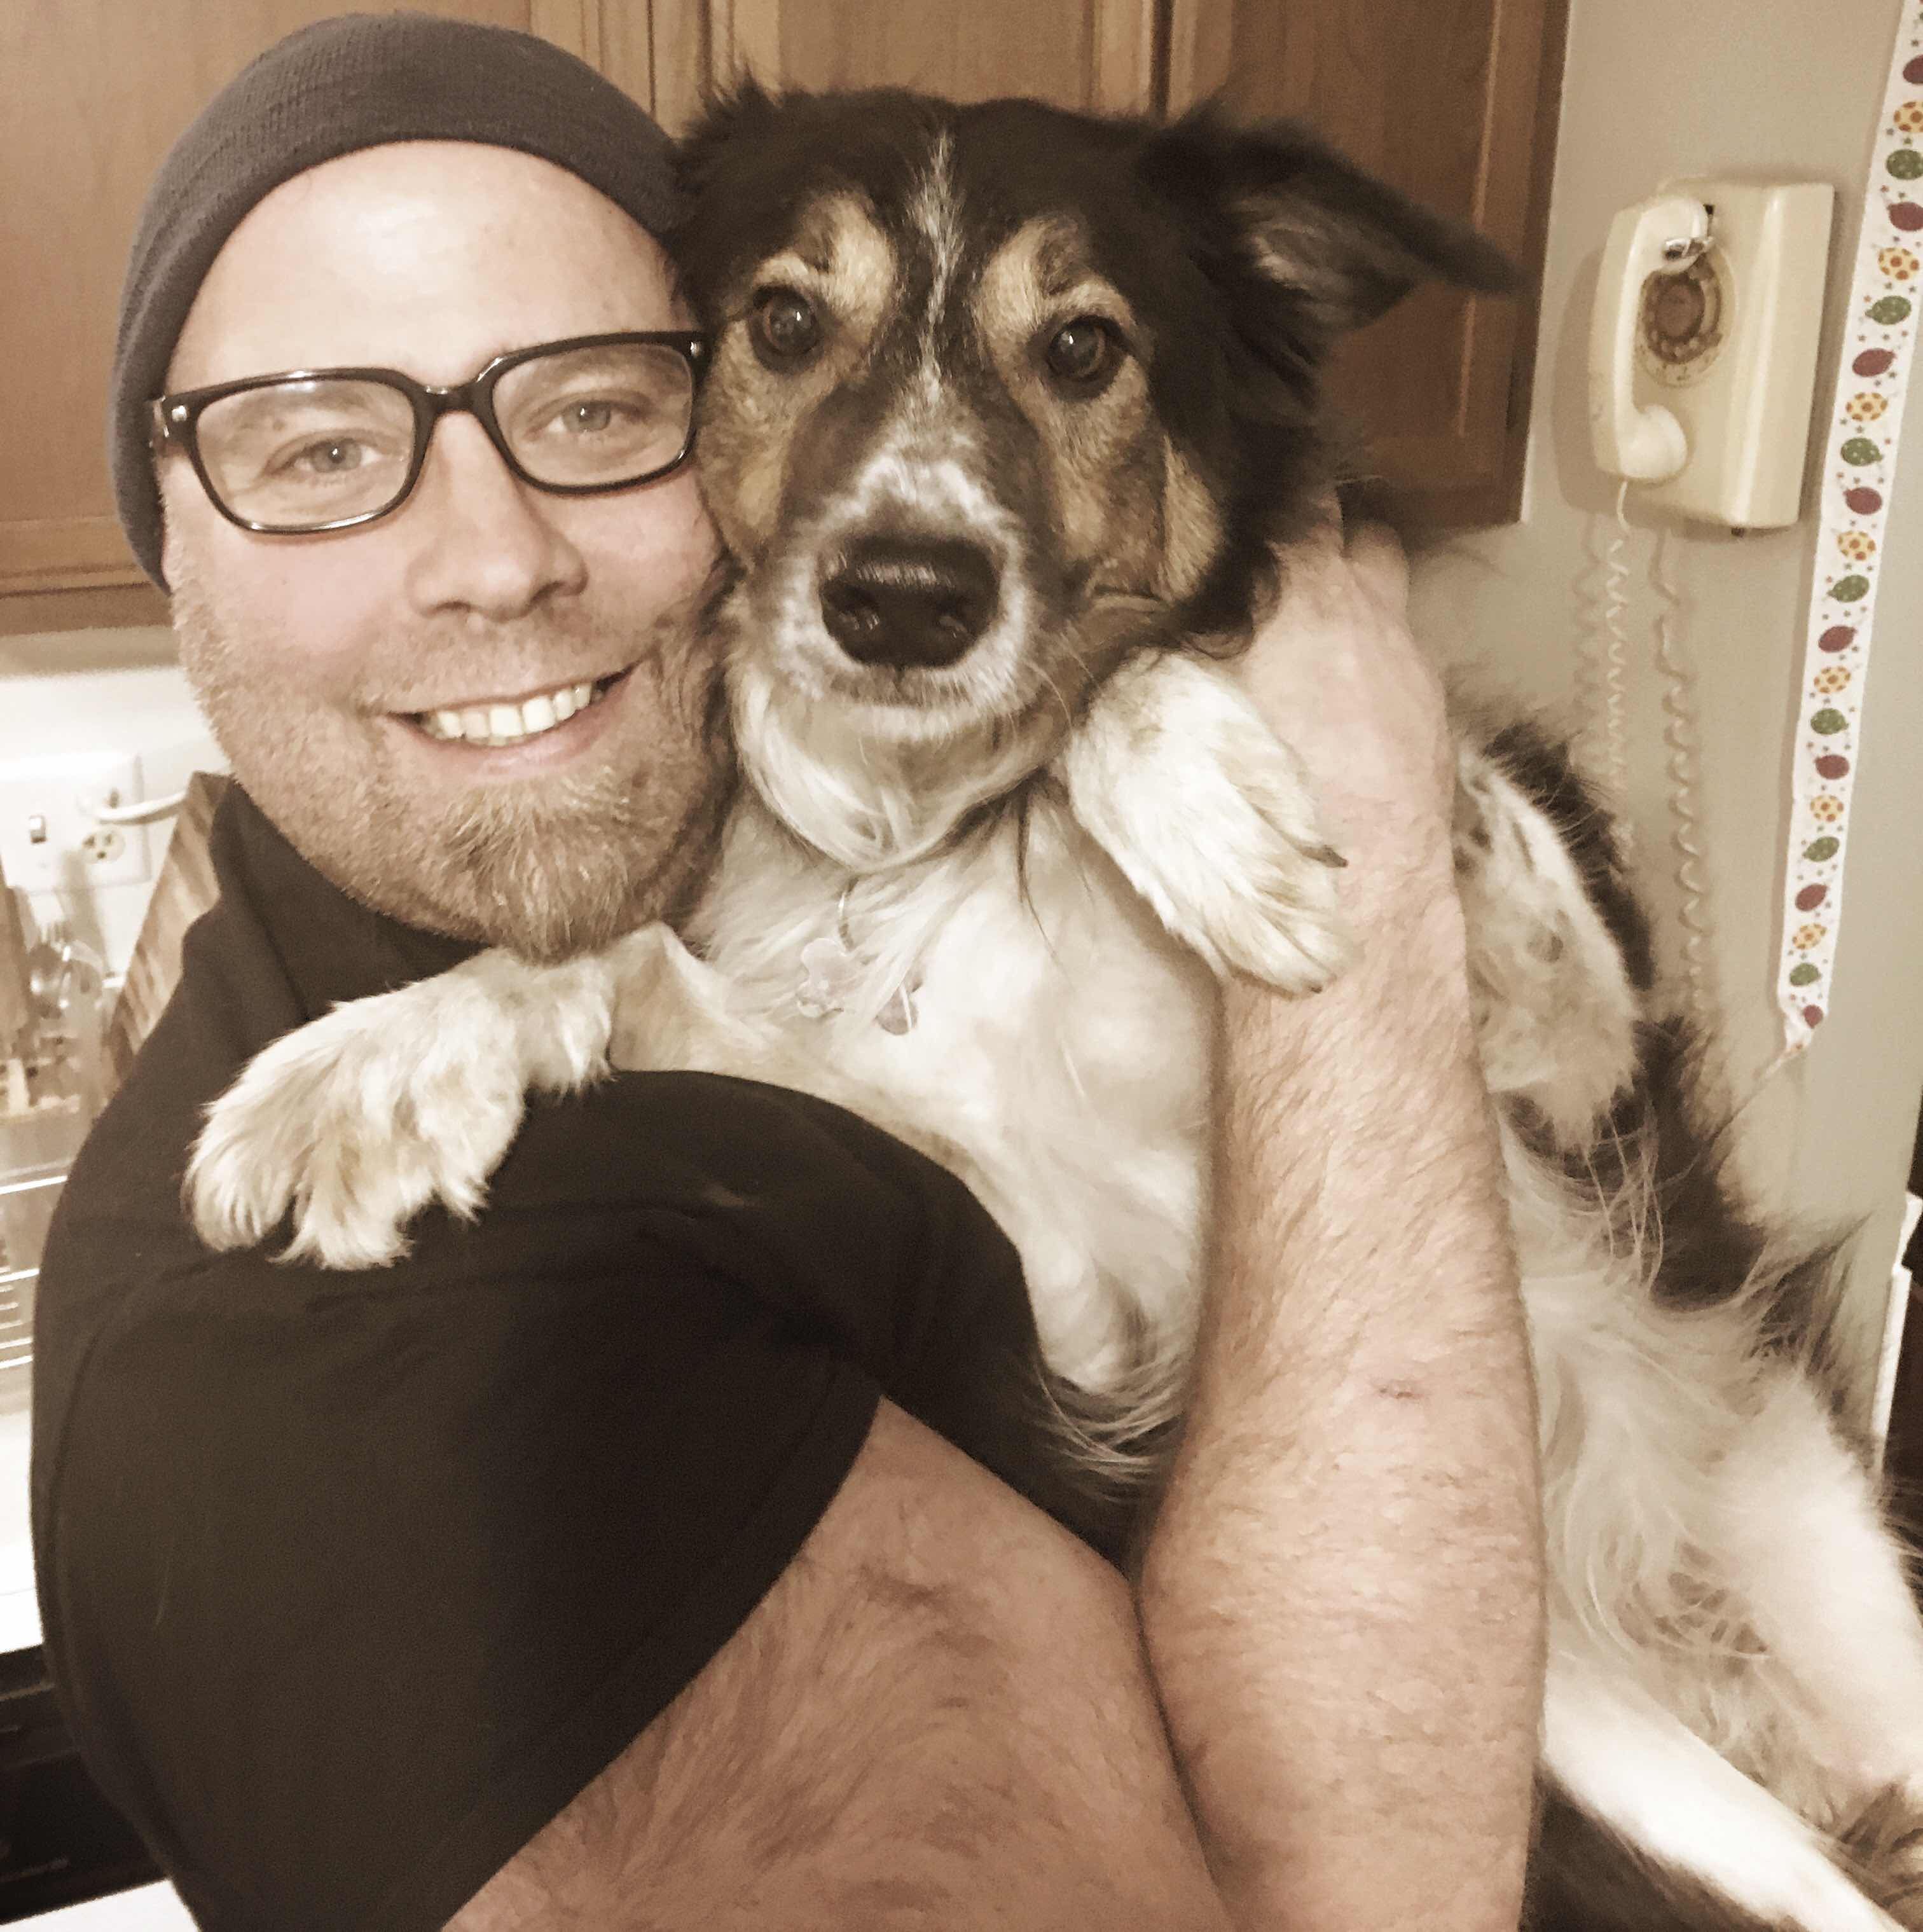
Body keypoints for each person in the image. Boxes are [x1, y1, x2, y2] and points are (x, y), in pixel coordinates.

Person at [31, 15, 1543, 1929]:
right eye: (323, 450)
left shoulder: (766, 880)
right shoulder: (378, 1350)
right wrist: (1365, 817)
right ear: (168, 536)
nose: (496, 561)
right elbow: (1377, 1893)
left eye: (592, 412)